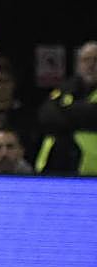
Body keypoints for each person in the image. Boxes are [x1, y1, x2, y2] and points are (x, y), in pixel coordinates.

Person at [35, 40, 97, 174]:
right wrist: (81, 114)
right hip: (55, 164)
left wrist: (64, 113)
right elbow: (46, 115)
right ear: (78, 64)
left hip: (91, 168)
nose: (91, 65)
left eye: (95, 60)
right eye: (86, 60)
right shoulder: (67, 86)